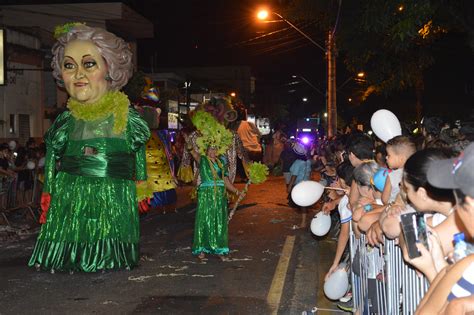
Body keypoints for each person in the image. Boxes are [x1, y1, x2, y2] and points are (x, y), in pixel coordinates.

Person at [28, 23, 150, 273]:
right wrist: (48, 191)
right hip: (71, 190)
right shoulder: (65, 120)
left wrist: (142, 183)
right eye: (69, 65)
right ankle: (66, 256)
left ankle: (107, 256)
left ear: (110, 68)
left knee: (106, 227)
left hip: (112, 189)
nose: (78, 75)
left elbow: (137, 149)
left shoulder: (126, 116)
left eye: (89, 64)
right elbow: (52, 154)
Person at [415, 142, 474, 314]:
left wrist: (438, 270)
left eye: (457, 203)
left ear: (469, 205)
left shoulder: (469, 266)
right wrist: (443, 268)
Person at [188, 144, 242, 260]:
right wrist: (189, 145)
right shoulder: (202, 160)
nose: (213, 150)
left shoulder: (221, 163)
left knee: (219, 221)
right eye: (211, 148)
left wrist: (237, 192)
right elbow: (193, 153)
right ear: (206, 150)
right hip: (206, 195)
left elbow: (226, 181)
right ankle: (201, 248)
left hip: (219, 196)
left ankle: (219, 249)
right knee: (204, 220)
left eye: (215, 148)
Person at [382, 135, 416, 204]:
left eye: (389, 155)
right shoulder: (416, 173)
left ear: (401, 159)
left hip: (393, 208)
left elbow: (384, 200)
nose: (386, 157)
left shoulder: (392, 175)